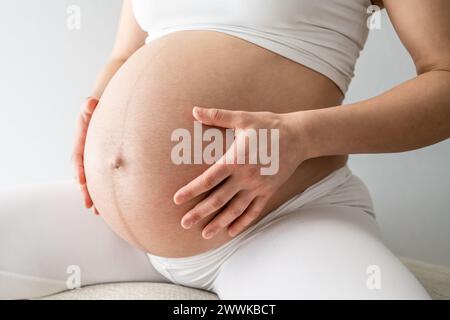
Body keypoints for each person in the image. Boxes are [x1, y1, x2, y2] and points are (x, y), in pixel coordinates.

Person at [2, 0, 449, 299]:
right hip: (114, 227)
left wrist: (301, 135)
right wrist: (96, 106)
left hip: (283, 220)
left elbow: (443, 79)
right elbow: (123, 55)